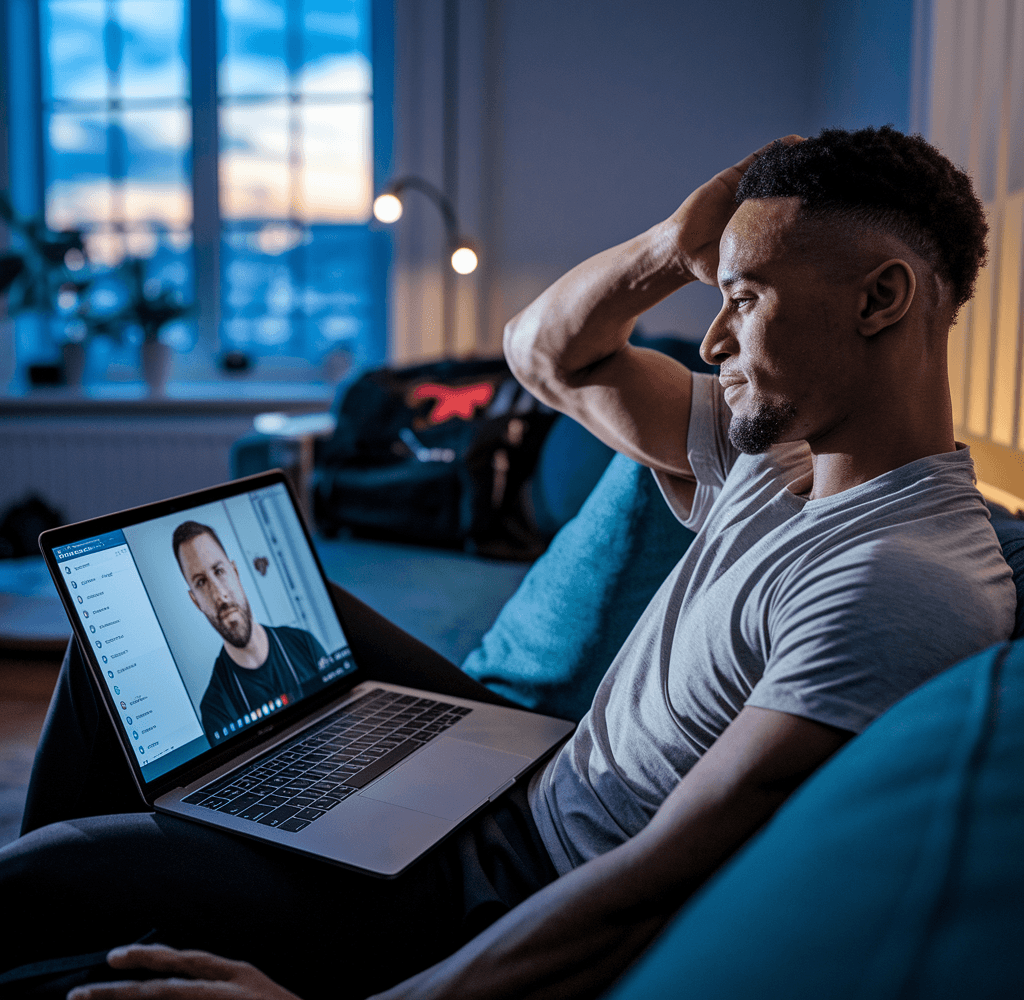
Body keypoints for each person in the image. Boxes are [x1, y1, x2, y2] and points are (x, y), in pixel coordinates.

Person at [1, 127, 1015, 1000]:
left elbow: (652, 885)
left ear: (881, 298)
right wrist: (671, 244)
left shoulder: (895, 581)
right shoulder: (777, 456)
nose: (711, 340)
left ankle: (78, 931)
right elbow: (543, 353)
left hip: (493, 893)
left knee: (45, 875)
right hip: (519, 780)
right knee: (118, 633)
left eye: (742, 299)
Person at [171, 521, 328, 739]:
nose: (219, 595)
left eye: (219, 571)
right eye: (201, 582)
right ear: (195, 601)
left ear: (235, 572)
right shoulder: (215, 709)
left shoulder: (304, 644)